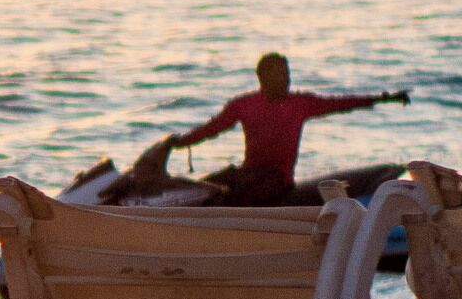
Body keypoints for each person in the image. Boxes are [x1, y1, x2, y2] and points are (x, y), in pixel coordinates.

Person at [165, 53, 408, 206]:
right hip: (248, 172)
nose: (286, 80)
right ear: (262, 78)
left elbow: (341, 103)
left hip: (277, 179)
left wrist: (383, 98)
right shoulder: (244, 104)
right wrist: (180, 142)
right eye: (280, 74)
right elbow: (213, 128)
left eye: (287, 74)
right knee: (205, 188)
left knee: (240, 197)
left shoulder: (300, 104)